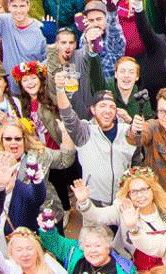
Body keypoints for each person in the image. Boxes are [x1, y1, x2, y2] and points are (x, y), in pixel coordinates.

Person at [55, 79, 135, 207]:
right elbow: (67, 116)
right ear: (93, 109)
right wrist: (59, 89)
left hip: (123, 200)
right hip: (94, 201)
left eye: (112, 107)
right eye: (102, 106)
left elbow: (138, 156)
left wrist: (130, 121)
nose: (108, 110)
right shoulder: (84, 131)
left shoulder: (126, 131)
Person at [0, 0, 47, 84]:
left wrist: (35, 69)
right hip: (12, 87)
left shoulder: (40, 29)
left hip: (33, 88)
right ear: (9, 7)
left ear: (28, 6)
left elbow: (48, 58)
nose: (18, 10)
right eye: (14, 6)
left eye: (22, 6)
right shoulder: (4, 22)